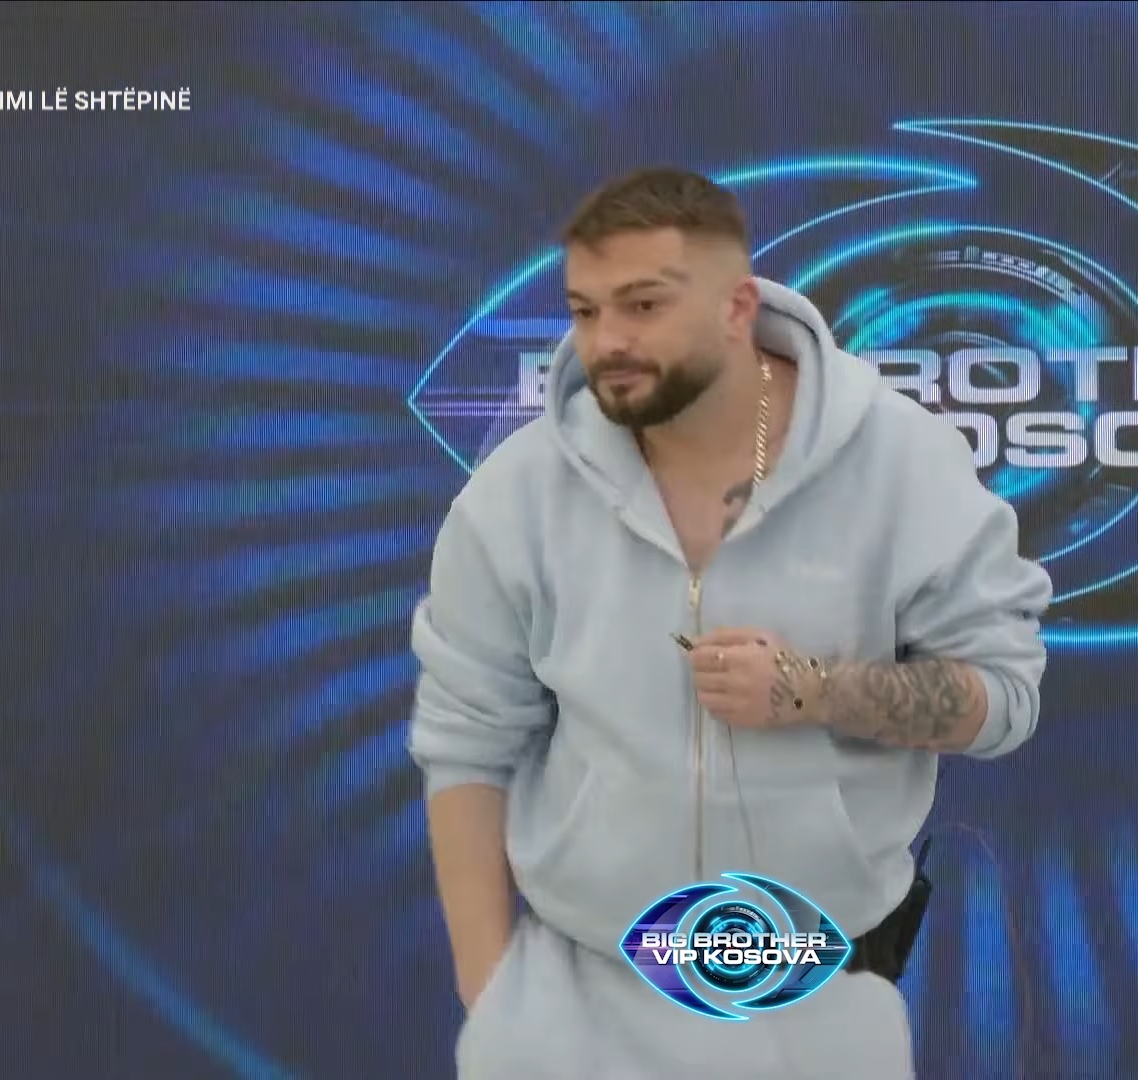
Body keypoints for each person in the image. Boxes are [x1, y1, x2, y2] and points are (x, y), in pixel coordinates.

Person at [407, 166, 1052, 1079]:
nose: (608, 341)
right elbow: (466, 745)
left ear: (737, 307)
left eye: (643, 305)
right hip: (579, 1004)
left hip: (823, 998)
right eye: (586, 311)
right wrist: (490, 996)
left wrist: (820, 692)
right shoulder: (518, 492)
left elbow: (1004, 701)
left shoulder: (901, 461)